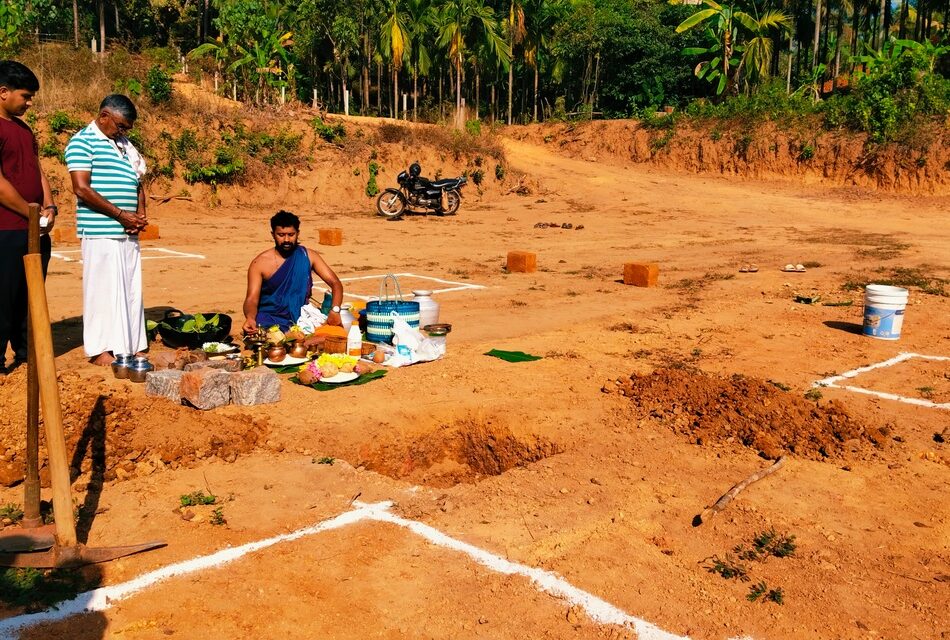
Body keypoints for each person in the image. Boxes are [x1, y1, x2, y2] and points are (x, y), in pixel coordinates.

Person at [65, 94, 148, 366]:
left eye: (126, 128)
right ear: (104, 116)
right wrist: (121, 215)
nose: (123, 132)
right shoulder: (82, 141)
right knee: (102, 289)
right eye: (120, 126)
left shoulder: (125, 145)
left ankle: (131, 344)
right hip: (100, 229)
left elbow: (137, 181)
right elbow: (81, 188)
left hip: (128, 229)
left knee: (130, 288)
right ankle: (100, 349)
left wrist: (140, 214)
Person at [0, 60, 55, 374]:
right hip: (6, 230)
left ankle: (25, 356)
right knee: (3, 297)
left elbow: (38, 171)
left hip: (34, 229)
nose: (30, 103)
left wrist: (49, 206)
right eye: (25, 96)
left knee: (30, 296)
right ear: (3, 92)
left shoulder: (23, 129)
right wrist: (31, 212)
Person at [243, 210, 344, 334]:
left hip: (302, 320)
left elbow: (335, 283)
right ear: (273, 234)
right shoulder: (259, 263)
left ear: (298, 233)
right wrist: (250, 318)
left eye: (291, 234)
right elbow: (252, 299)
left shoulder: (308, 256)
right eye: (281, 235)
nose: (286, 239)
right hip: (269, 321)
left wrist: (335, 310)